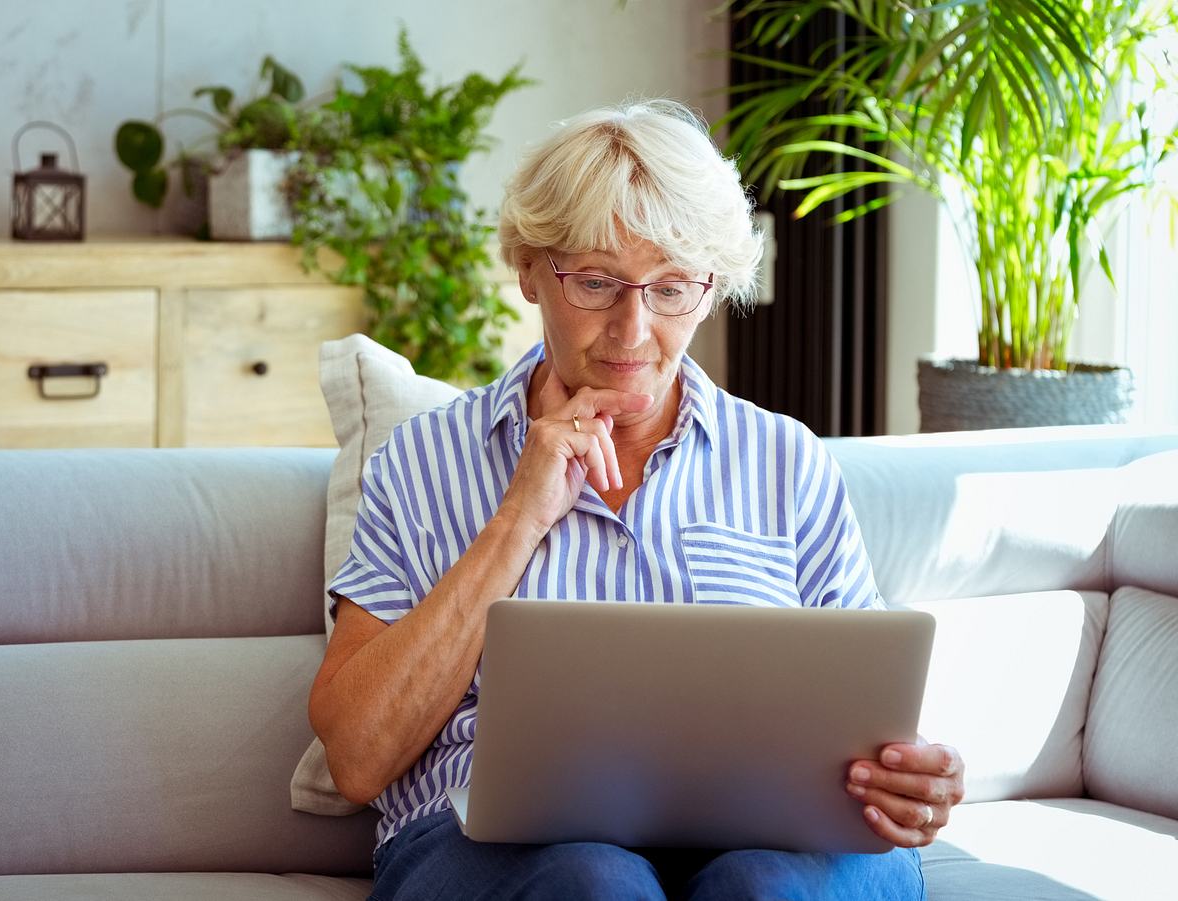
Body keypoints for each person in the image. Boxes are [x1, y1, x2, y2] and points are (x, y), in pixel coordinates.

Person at [308, 98, 964, 900]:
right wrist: (518, 519)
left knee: (764, 891)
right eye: (596, 282)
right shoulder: (424, 460)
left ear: (711, 287)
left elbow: (869, 711)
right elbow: (356, 756)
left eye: (670, 288)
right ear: (528, 269)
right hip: (492, 839)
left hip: (766, 840)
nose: (632, 329)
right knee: (597, 884)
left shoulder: (785, 460)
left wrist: (912, 775)